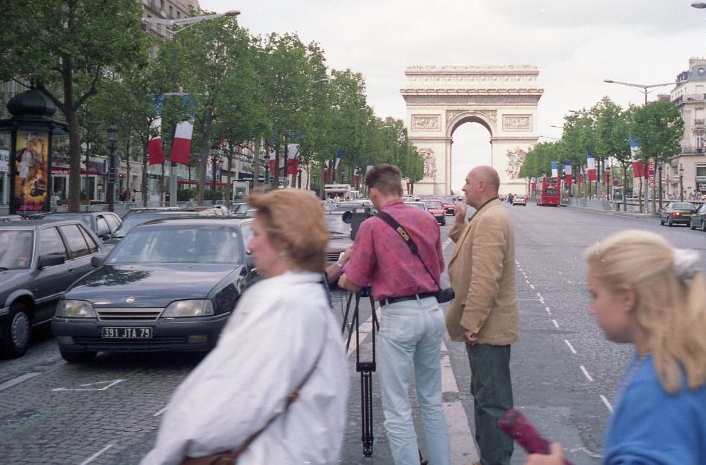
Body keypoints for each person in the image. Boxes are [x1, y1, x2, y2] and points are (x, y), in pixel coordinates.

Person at [142, 189, 348, 464]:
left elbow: (236, 400)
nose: (250, 245)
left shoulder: (282, 304)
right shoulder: (305, 301)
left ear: (284, 242)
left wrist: (169, 451)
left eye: (257, 234)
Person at [525, 230, 706, 465]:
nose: (591, 309)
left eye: (594, 295)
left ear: (627, 297)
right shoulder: (678, 364)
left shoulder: (660, 387)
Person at [337, 163, 450, 465]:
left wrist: (344, 269)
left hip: (399, 316)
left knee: (398, 408)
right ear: (401, 189)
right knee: (432, 402)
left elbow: (354, 281)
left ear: (374, 193)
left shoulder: (372, 227)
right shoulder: (428, 219)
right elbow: (438, 267)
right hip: (431, 310)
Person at [447, 165, 518, 465]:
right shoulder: (487, 215)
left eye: (467, 182)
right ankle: (489, 457)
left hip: (487, 328)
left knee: (491, 402)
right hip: (486, 326)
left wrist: (473, 322)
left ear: (482, 185)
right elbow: (473, 248)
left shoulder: (490, 219)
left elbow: (486, 278)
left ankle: (495, 461)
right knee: (485, 396)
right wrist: (459, 224)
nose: (463, 187)